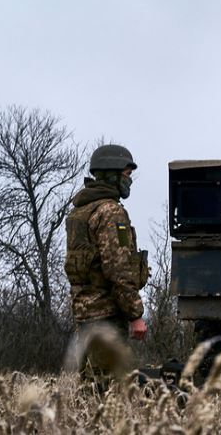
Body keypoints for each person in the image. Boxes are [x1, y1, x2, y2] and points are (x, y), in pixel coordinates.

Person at [65, 144, 149, 375]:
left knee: (91, 392)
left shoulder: (80, 212)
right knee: (109, 394)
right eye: (126, 174)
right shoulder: (111, 212)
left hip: (84, 313)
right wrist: (135, 315)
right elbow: (118, 269)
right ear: (111, 175)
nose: (129, 180)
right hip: (108, 315)